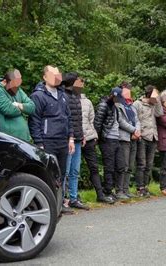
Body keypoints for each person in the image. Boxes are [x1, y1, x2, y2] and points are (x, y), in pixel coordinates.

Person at [29, 65, 75, 213]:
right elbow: (34, 121)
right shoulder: (38, 96)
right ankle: (47, 206)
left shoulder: (62, 95)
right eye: (52, 74)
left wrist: (71, 138)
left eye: (57, 74)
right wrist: (39, 143)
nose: (56, 76)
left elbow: (68, 118)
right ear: (44, 77)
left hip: (63, 140)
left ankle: (59, 205)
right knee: (48, 174)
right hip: (47, 141)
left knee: (61, 174)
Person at [79, 78, 114, 204]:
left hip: (89, 139)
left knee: (94, 168)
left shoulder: (87, 102)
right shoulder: (67, 99)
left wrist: (94, 135)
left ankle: (100, 194)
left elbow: (92, 120)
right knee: (72, 170)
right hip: (75, 139)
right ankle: (72, 197)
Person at [61, 72, 89, 210]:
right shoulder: (63, 95)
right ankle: (62, 200)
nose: (81, 84)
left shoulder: (76, 96)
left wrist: (82, 134)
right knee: (65, 171)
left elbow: (78, 119)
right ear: (72, 82)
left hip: (77, 138)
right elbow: (66, 119)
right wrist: (69, 137)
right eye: (79, 81)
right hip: (67, 139)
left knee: (75, 171)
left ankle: (73, 198)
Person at [0, 69, 35, 142]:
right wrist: (23, 109)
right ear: (5, 81)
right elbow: (10, 110)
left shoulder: (16, 88)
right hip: (7, 139)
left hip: (23, 139)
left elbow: (32, 107)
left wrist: (18, 105)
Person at [133, 85, 164, 197]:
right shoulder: (137, 104)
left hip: (153, 137)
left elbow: (160, 113)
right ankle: (139, 188)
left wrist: (158, 100)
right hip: (142, 137)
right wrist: (137, 132)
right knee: (141, 163)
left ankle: (145, 186)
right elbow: (134, 119)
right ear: (148, 95)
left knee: (149, 164)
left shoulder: (154, 104)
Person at [94, 87, 122, 200]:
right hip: (107, 139)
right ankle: (108, 191)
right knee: (109, 167)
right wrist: (99, 138)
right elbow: (97, 123)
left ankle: (112, 189)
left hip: (116, 139)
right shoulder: (103, 105)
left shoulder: (114, 107)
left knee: (119, 165)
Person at [114, 85, 141, 199]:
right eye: (126, 93)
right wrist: (134, 130)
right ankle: (119, 190)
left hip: (134, 138)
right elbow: (120, 121)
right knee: (123, 165)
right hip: (124, 138)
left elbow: (137, 120)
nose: (128, 94)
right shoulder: (118, 105)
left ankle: (126, 189)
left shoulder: (132, 107)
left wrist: (137, 131)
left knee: (130, 166)